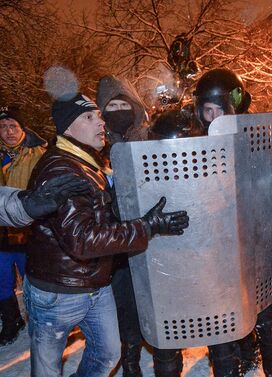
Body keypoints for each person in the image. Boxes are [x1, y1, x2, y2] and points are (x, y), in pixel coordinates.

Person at [24, 91, 189, 377]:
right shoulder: (62, 169)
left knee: (108, 353)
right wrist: (146, 227)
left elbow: (100, 217)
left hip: (96, 283)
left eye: (98, 115)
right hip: (58, 290)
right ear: (67, 127)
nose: (100, 122)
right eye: (89, 117)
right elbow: (83, 240)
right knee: (48, 369)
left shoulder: (88, 162)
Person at [194, 68, 272, 377]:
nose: (213, 117)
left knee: (263, 314)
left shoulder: (257, 136)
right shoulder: (195, 144)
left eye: (220, 109)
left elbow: (271, 187)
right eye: (208, 110)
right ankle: (236, 363)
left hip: (253, 245)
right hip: (216, 250)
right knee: (219, 326)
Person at [97, 74, 186, 377]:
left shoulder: (150, 139)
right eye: (111, 106)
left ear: (134, 106)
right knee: (125, 308)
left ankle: (168, 361)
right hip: (116, 245)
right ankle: (131, 363)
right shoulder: (95, 145)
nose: (118, 111)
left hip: (154, 239)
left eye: (124, 103)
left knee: (162, 309)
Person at [0, 106, 46, 346]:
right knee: (1, 280)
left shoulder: (39, 153)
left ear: (22, 128)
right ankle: (11, 321)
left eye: (13, 126)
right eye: (3, 126)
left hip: (31, 232)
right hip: (1, 235)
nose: (8, 131)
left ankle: (41, 322)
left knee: (36, 280)